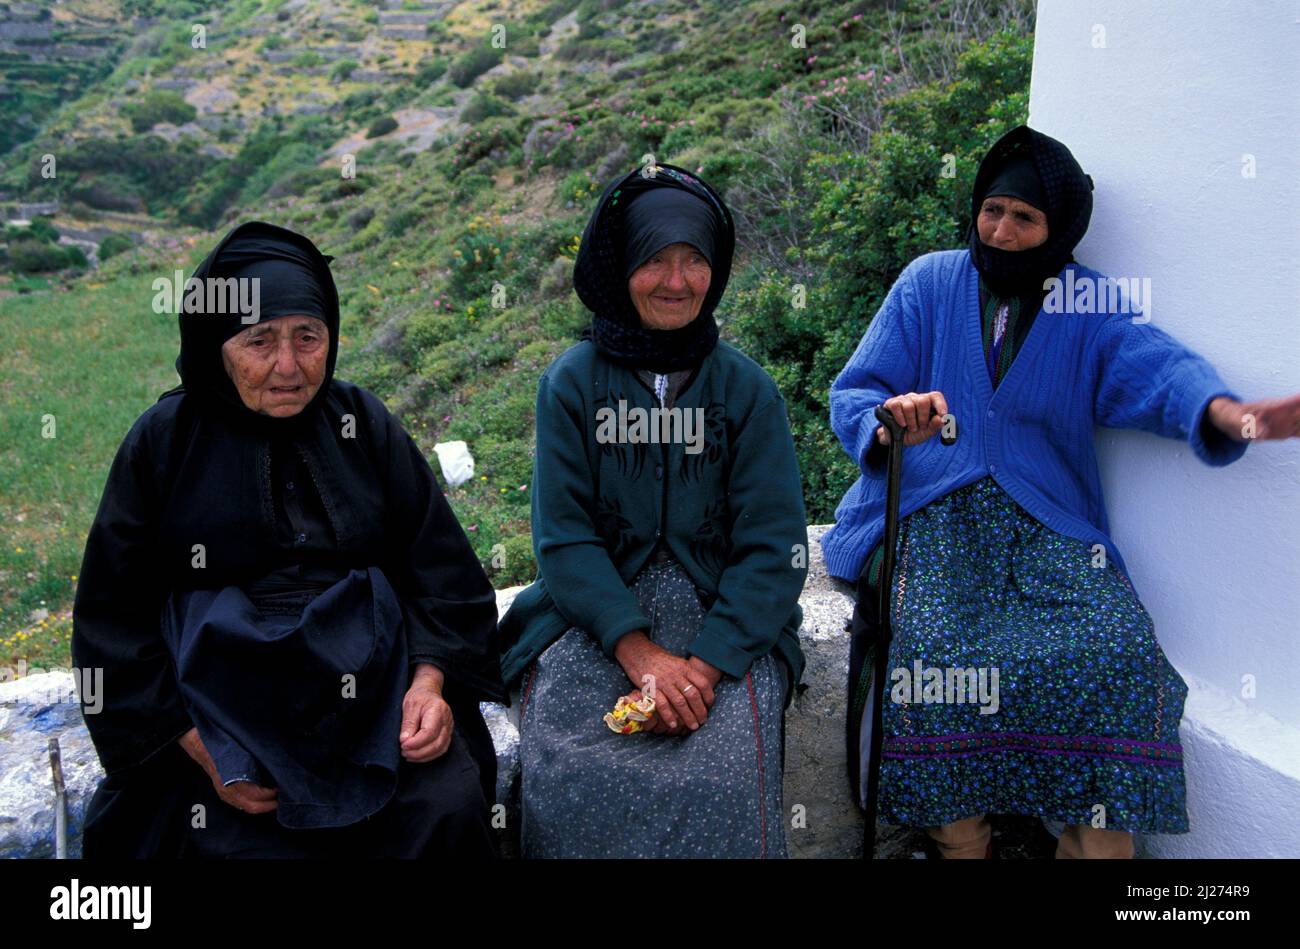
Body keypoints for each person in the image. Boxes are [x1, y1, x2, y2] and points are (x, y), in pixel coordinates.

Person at [822, 125, 1300, 859]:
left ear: (1060, 229)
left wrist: (1227, 412)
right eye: (992, 210)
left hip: (1049, 529)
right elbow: (857, 390)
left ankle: (1093, 848)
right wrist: (888, 425)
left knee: (1120, 655)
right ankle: (963, 843)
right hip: (930, 516)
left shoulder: (1088, 305)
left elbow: (1157, 368)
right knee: (936, 650)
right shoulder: (929, 283)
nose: (1003, 231)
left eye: (1025, 218)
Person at [72, 220, 505, 859]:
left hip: (374, 698)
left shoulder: (362, 423)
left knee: (443, 808)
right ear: (216, 343)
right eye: (258, 341)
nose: (288, 367)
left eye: (308, 338)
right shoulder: (163, 442)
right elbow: (112, 618)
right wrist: (194, 744)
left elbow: (443, 575)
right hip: (220, 708)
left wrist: (430, 685)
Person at [497, 162, 809, 858]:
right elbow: (566, 539)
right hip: (595, 616)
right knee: (571, 766)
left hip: (726, 620)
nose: (677, 281)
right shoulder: (572, 385)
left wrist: (704, 664)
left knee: (723, 775)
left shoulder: (746, 390)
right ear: (619, 269)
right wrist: (640, 652)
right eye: (654, 261)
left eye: (693, 260)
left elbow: (775, 547)